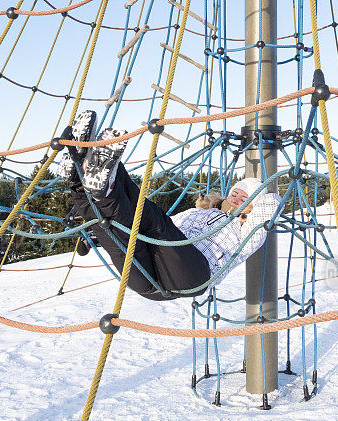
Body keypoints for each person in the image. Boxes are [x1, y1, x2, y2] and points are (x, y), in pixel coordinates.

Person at [59, 111, 282, 300]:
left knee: (156, 222)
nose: (236, 200)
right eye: (235, 193)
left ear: (252, 207)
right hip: (151, 278)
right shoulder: (198, 211)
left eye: (245, 200)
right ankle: (80, 179)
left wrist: (259, 195)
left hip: (193, 275)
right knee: (124, 230)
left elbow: (272, 205)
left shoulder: (248, 231)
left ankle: (106, 177)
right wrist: (94, 239)